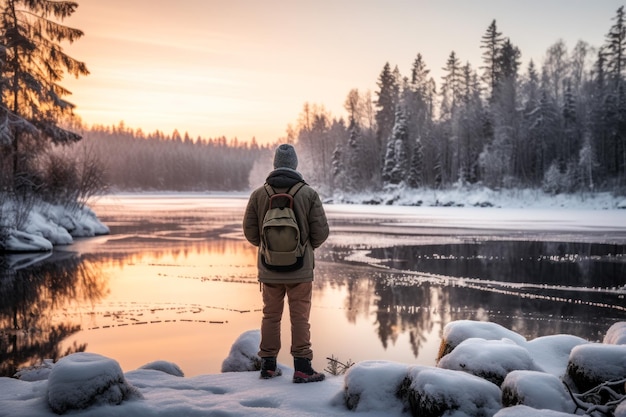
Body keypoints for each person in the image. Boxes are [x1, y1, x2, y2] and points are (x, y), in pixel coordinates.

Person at [243, 143, 329, 383]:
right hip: (300, 270)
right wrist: (303, 249)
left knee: (270, 316)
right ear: (295, 165)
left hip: (269, 269)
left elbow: (250, 232)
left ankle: (268, 366)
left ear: (274, 164)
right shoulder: (308, 193)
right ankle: (302, 367)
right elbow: (321, 233)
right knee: (300, 317)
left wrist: (268, 248)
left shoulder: (259, 194)